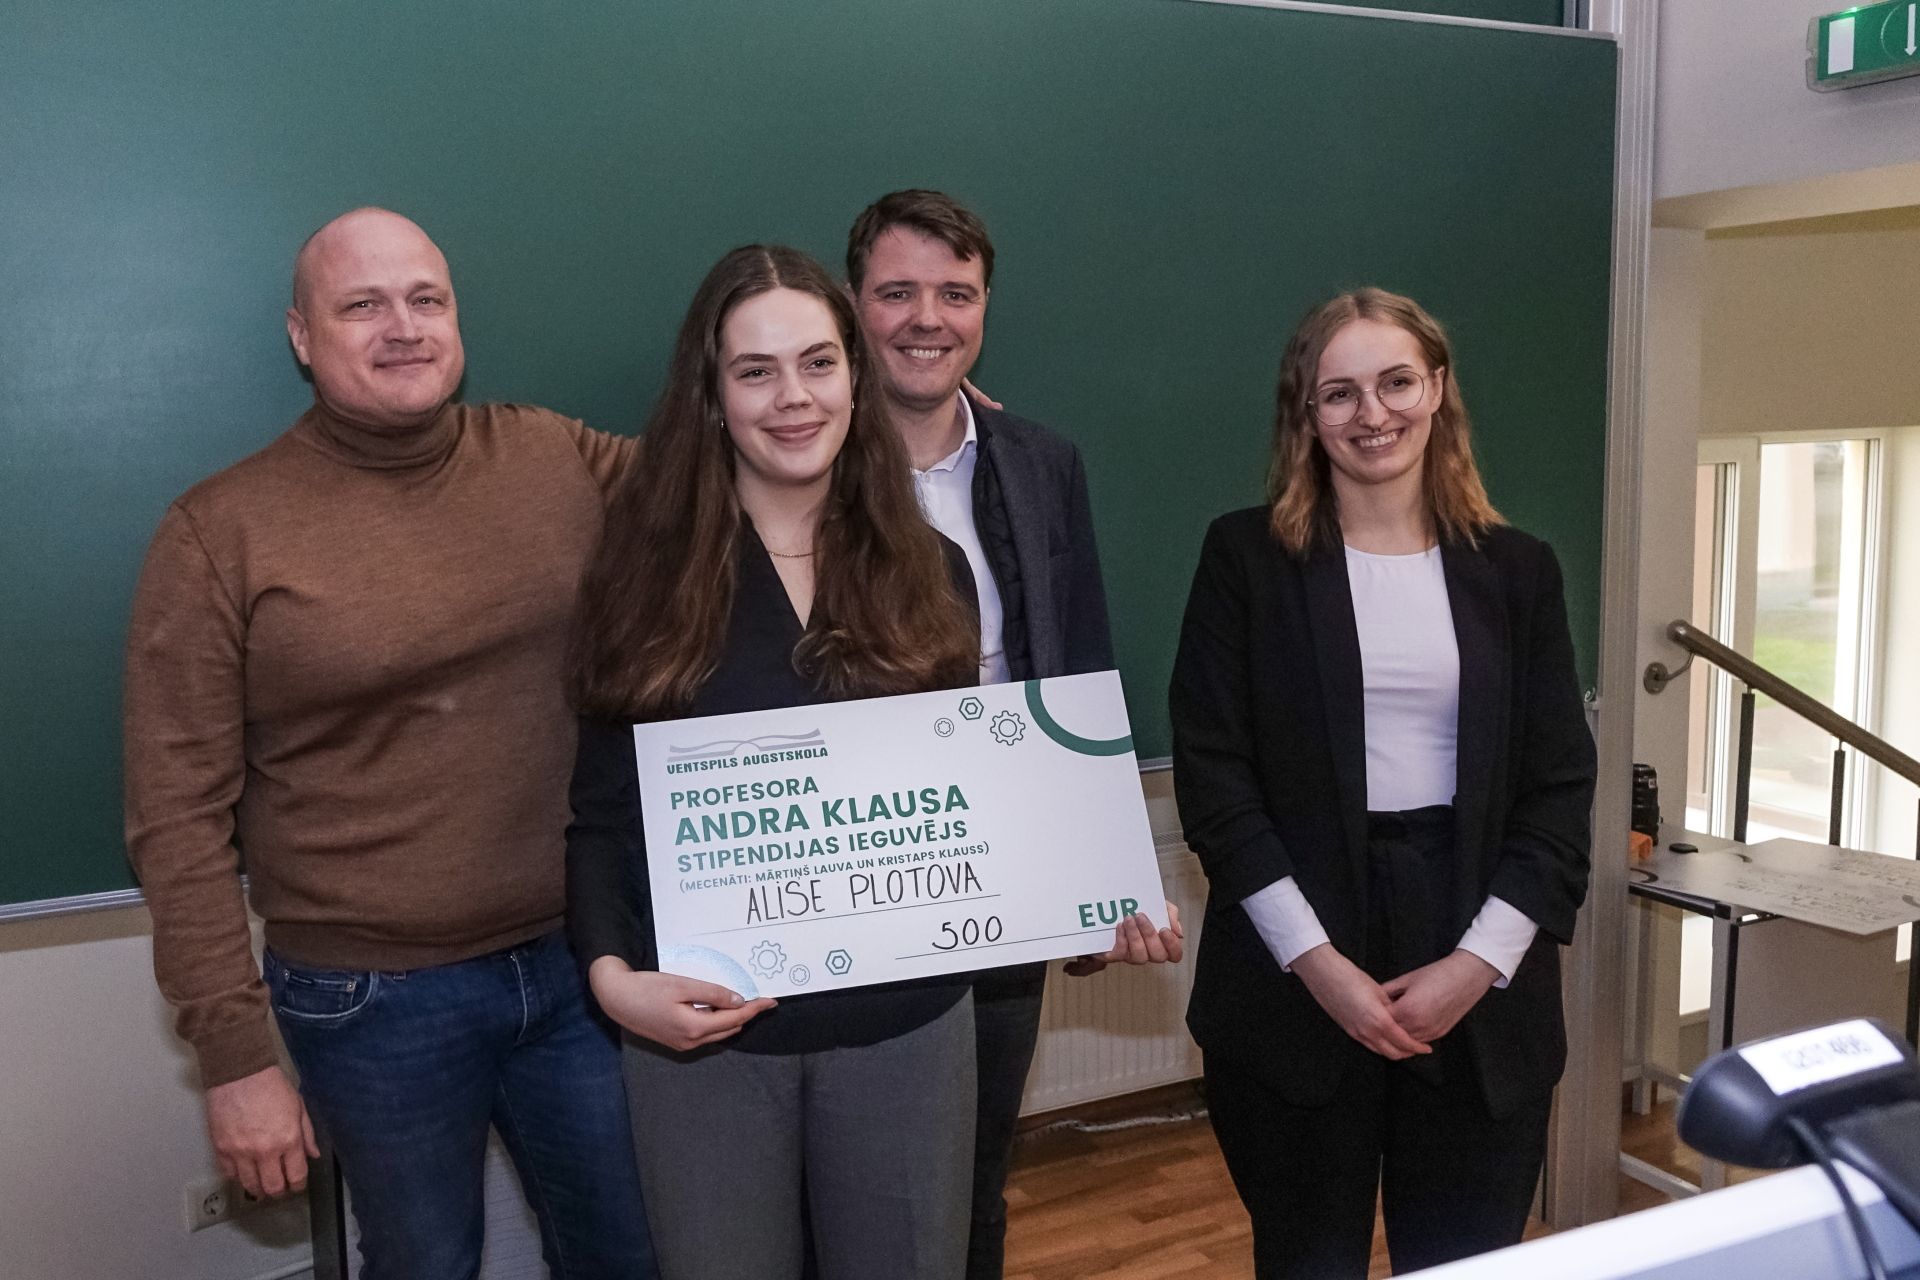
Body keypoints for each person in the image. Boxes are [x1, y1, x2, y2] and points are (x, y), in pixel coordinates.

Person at [122, 207, 656, 1280]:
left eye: (426, 299)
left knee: (631, 1254)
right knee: (423, 1264)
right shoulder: (218, 532)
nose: (402, 327)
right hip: (370, 998)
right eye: (362, 305)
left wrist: (910, 419)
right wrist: (234, 1056)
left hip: (580, 961)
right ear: (301, 336)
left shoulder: (553, 454)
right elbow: (175, 817)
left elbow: (737, 475)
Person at [567, 243, 992, 1280]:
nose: (793, 397)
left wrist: (1078, 890)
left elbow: (972, 797)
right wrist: (614, 982)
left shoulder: (931, 569)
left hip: (908, 1026)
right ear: (712, 398)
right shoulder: (641, 577)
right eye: (755, 371)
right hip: (705, 1034)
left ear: (855, 374)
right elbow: (601, 816)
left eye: (818, 362)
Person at [1169, 288, 1595, 1278]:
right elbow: (1217, 781)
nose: (1374, 413)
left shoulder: (1520, 570)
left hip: (1478, 960)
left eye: (1397, 382)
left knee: (1465, 1261)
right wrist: (1319, 966)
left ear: (1437, 388)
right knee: (1306, 1257)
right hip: (1296, 968)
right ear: (1306, 412)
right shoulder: (1245, 559)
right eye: (1340, 393)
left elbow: (1558, 790)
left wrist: (1475, 965)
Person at [846, 189, 1183, 1280]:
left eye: (955, 293)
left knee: (974, 1171)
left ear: (986, 306)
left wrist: (1099, 875)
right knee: (851, 1189)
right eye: (897, 292)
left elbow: (1078, 665)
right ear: (851, 305)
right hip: (852, 874)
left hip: (1002, 870)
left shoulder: (1041, 462)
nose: (926, 319)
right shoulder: (794, 461)